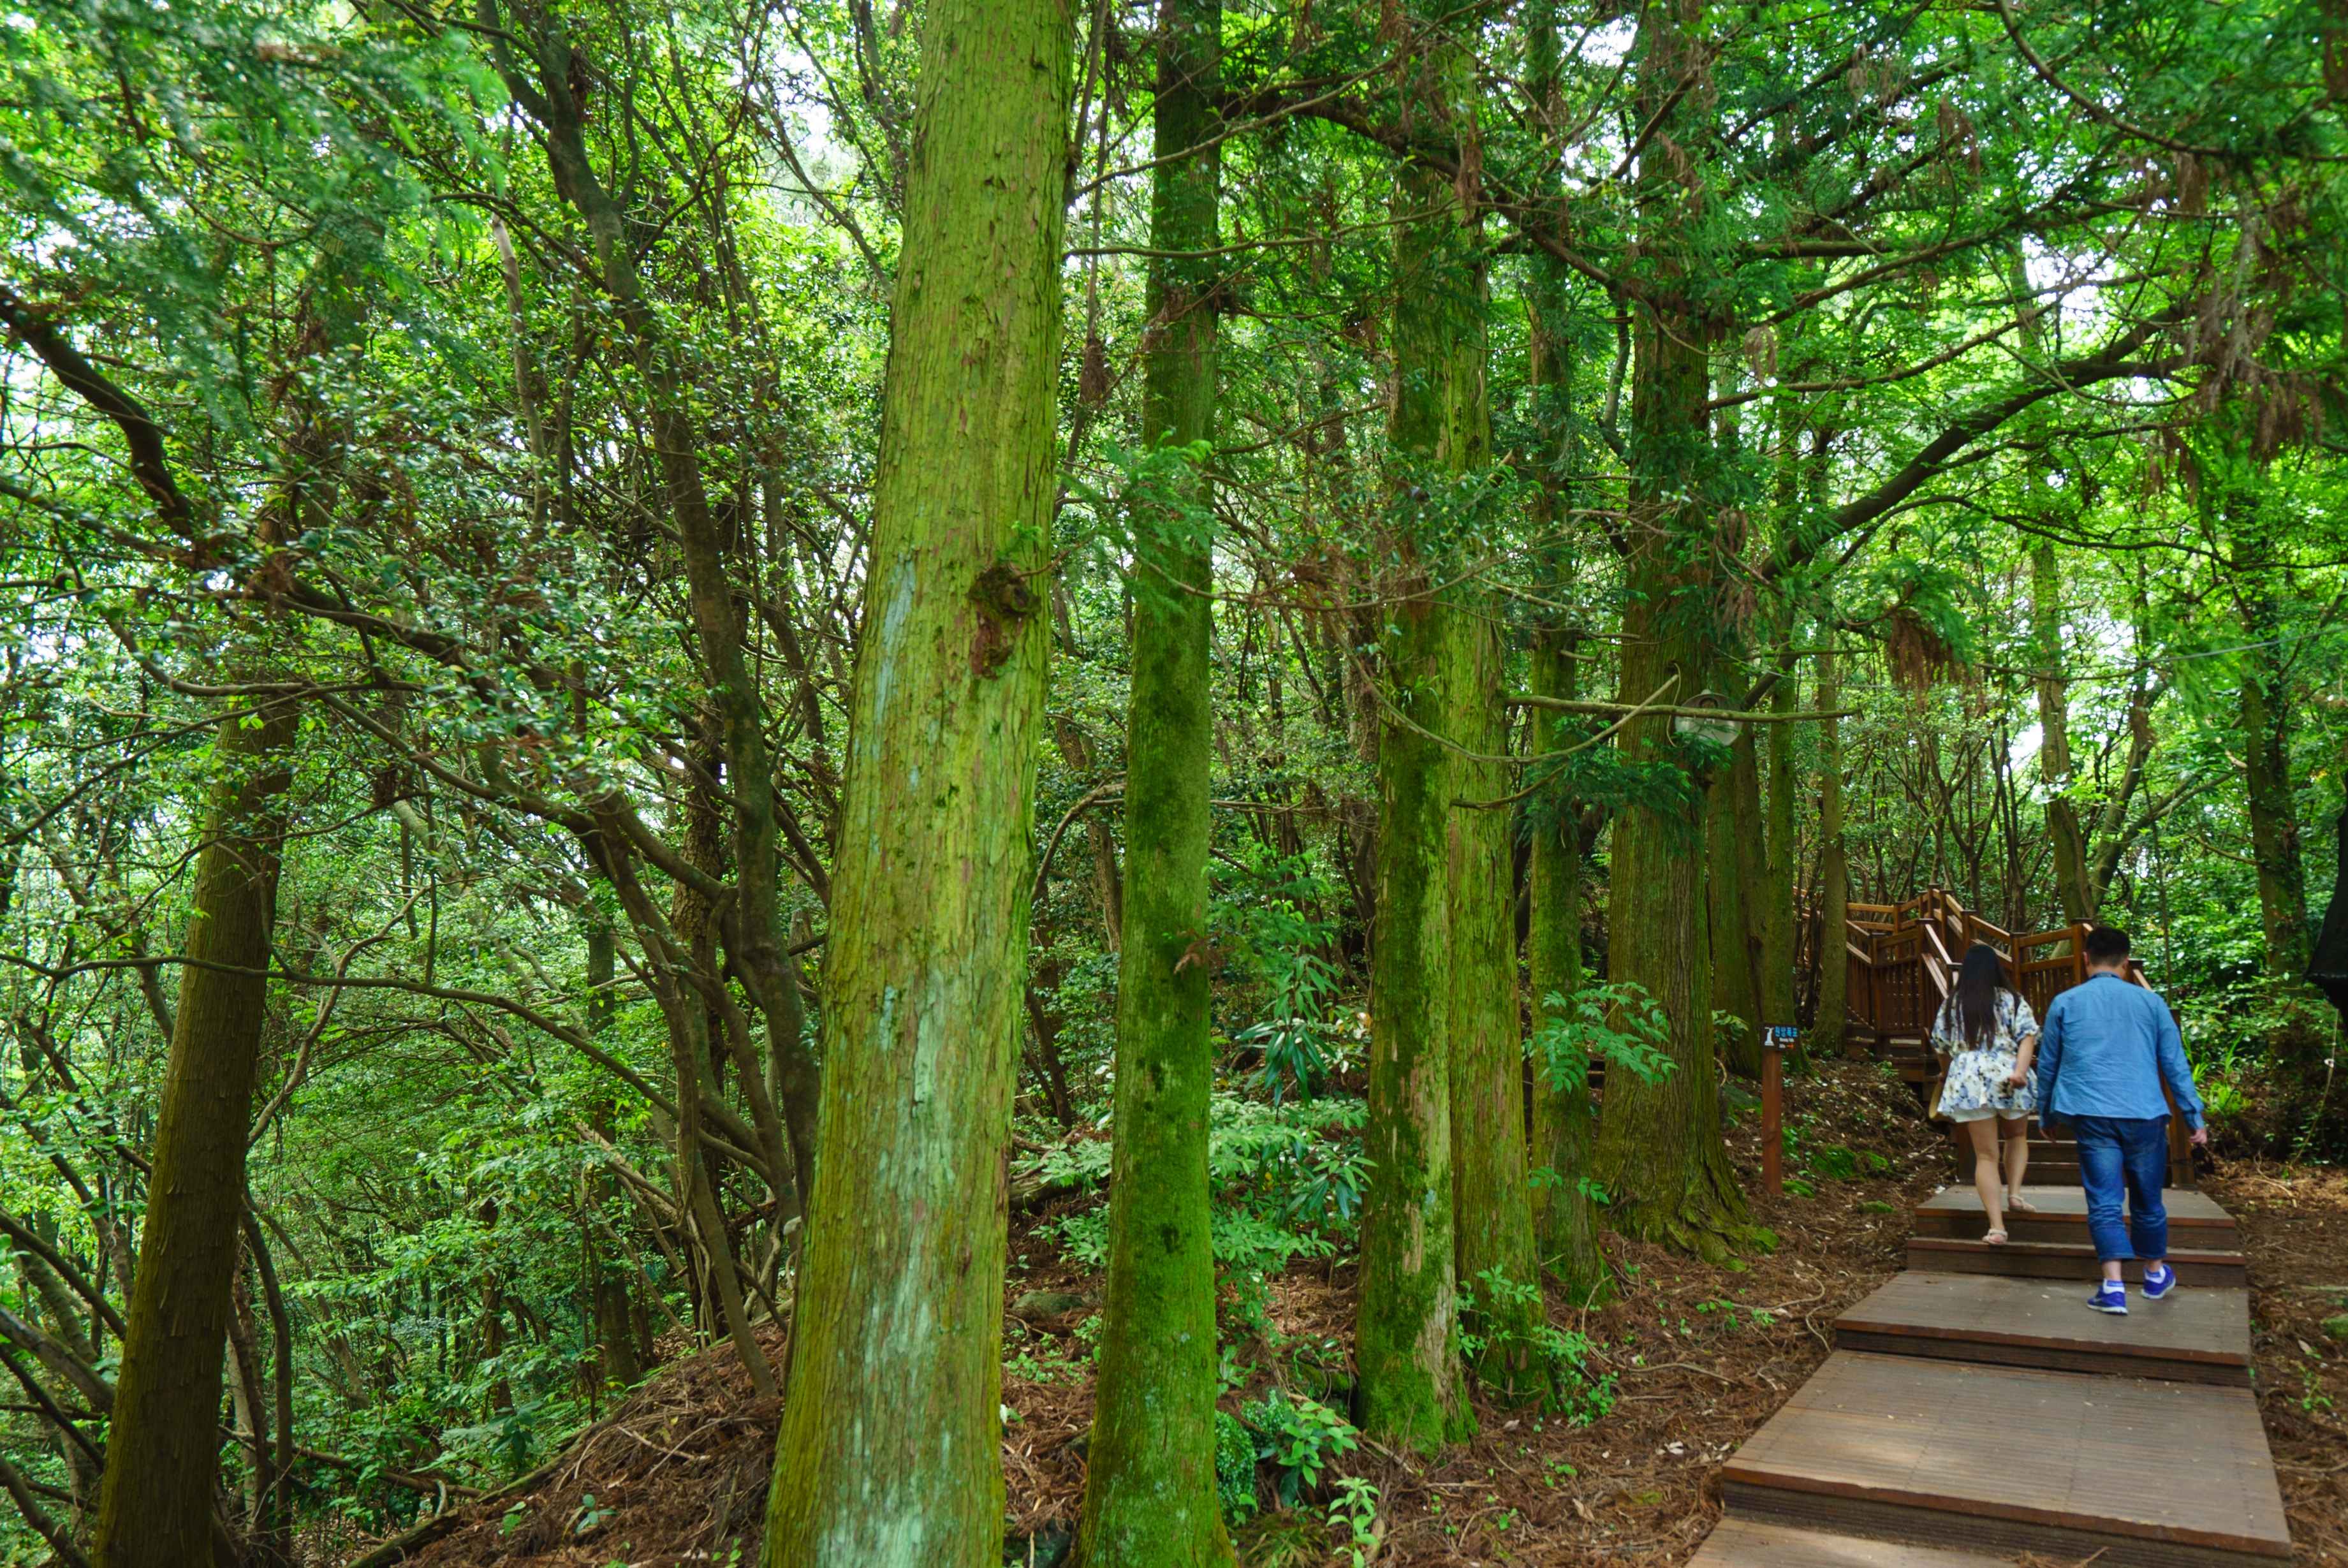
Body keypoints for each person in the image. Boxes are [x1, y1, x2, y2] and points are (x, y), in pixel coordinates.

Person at [2034, 925, 2208, 1315]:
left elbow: (2048, 1065)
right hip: (2144, 1113)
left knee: (2104, 1199)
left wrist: (2045, 1112)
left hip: (2091, 1113)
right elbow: (2174, 1064)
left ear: (2085, 959)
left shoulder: (2066, 1002)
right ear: (2126, 963)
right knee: (2148, 1199)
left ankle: (2113, 1287)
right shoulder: (2152, 1004)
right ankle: (2154, 1273)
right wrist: (2192, 1115)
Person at [1931, 943, 2041, 1245]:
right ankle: (2015, 1194)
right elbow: (2028, 1036)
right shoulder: (2013, 1000)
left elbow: (1940, 1045)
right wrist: (2020, 1070)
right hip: (2008, 1074)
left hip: (1969, 1080)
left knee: (1986, 1155)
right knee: (2017, 1136)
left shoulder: (1953, 1004)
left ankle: (1996, 1227)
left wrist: (1945, 1072)